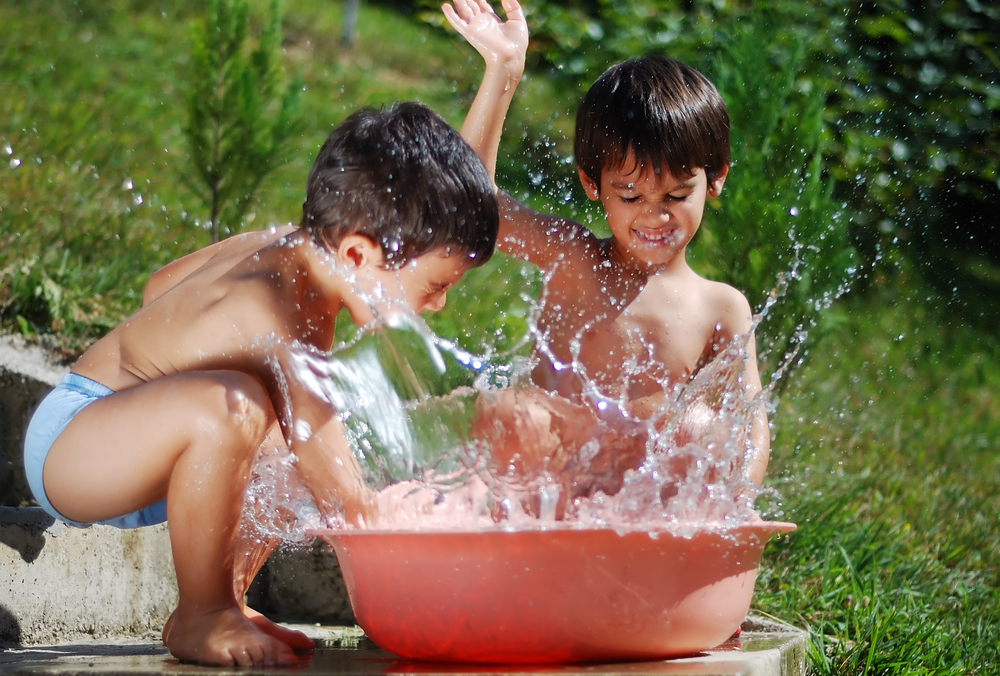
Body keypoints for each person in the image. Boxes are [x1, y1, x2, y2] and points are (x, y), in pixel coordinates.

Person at [22, 101, 499, 666]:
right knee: (243, 408)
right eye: (435, 284)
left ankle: (224, 597)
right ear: (357, 253)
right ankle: (204, 615)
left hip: (140, 452)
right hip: (73, 446)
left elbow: (161, 286)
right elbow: (340, 490)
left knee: (276, 426)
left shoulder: (282, 246)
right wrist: (417, 557)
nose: (440, 305)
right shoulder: (278, 313)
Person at [443, 0, 769, 495]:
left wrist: (737, 505)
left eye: (678, 196)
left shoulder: (720, 307)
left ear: (716, 179)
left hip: (644, 511)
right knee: (515, 412)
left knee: (703, 429)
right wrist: (502, 73)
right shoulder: (575, 259)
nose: (654, 217)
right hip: (547, 497)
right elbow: (471, 205)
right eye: (631, 195)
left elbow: (750, 432)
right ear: (593, 184)